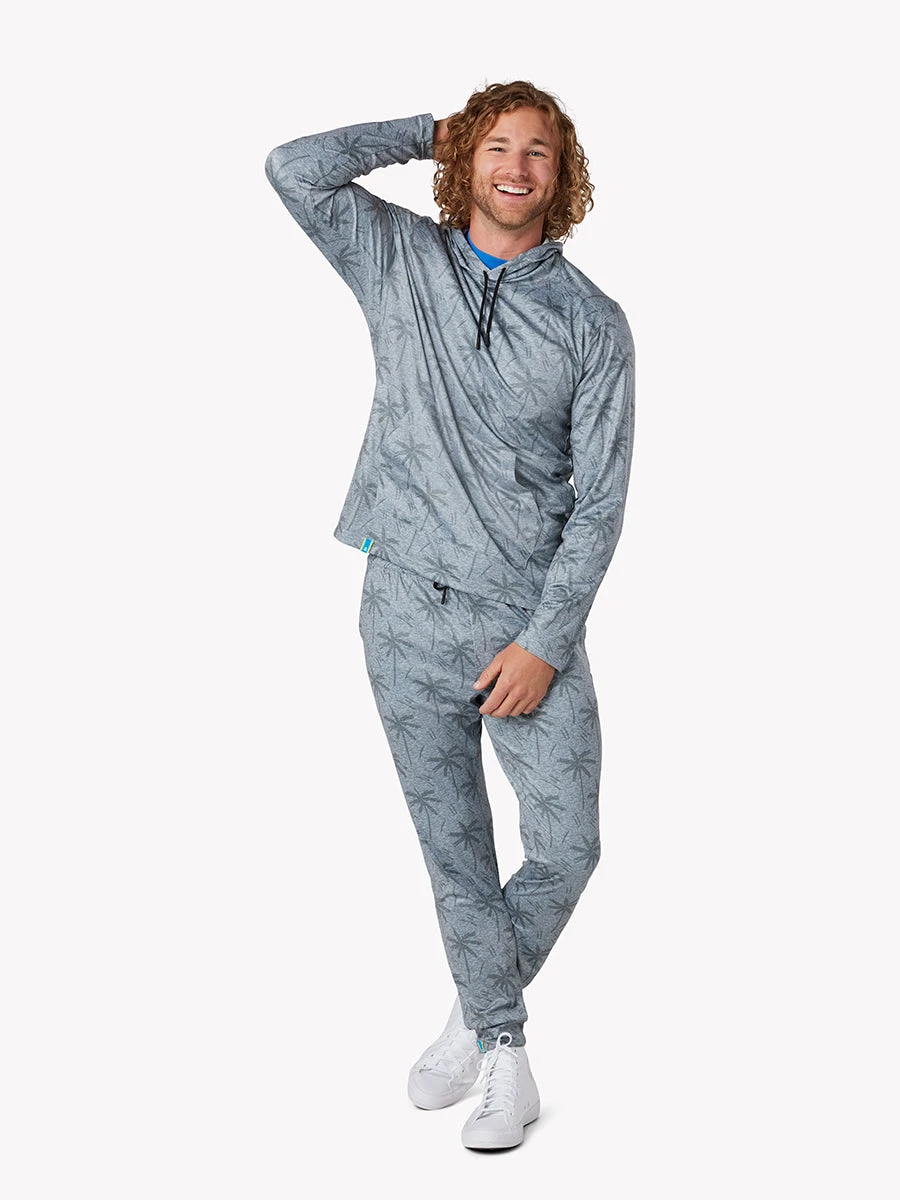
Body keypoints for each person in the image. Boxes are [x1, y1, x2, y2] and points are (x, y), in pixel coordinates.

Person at [265, 80, 635, 1151]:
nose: (516, 167)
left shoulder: (593, 323)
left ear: (563, 177)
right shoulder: (397, 259)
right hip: (402, 609)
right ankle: (505, 1051)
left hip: (523, 625)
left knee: (568, 846)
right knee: (456, 852)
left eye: (539, 152)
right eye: (496, 146)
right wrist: (430, 131)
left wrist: (545, 643)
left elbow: (602, 503)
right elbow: (294, 167)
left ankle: (473, 1008)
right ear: (467, 160)